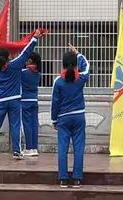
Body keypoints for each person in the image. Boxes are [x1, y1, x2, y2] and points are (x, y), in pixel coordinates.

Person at [0, 29, 43, 160]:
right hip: (15, 100)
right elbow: (26, 52)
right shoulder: (14, 66)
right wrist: (35, 38)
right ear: (5, 59)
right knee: (15, 125)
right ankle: (17, 151)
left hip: (0, 101)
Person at [51, 44, 90, 189]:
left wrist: (54, 120)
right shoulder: (80, 79)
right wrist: (78, 53)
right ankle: (77, 179)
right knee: (78, 148)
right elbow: (86, 66)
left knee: (63, 148)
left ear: (62, 65)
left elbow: (54, 103)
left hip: (63, 118)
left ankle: (63, 179)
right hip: (79, 117)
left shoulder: (58, 81)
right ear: (75, 65)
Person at [21, 51, 41, 157]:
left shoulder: (23, 72)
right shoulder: (38, 74)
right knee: (34, 125)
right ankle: (34, 148)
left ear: (30, 60)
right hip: (34, 100)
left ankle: (28, 148)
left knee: (27, 125)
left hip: (25, 101)